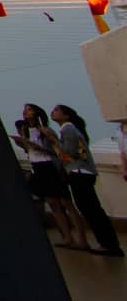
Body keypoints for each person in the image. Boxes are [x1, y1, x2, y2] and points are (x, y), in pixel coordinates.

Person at [51, 104, 123, 256]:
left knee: (91, 210)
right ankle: (107, 243)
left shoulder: (68, 129)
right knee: (92, 209)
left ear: (66, 116)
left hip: (79, 172)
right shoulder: (70, 129)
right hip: (82, 172)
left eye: (57, 110)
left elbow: (69, 153)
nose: (53, 112)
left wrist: (53, 140)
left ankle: (109, 244)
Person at [13, 103, 84, 249]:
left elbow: (58, 151)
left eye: (29, 110)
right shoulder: (25, 131)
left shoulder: (45, 130)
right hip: (37, 166)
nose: (26, 112)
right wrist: (23, 144)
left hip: (50, 166)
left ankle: (82, 239)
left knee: (66, 203)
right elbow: (30, 151)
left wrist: (41, 147)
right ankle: (67, 237)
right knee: (53, 204)